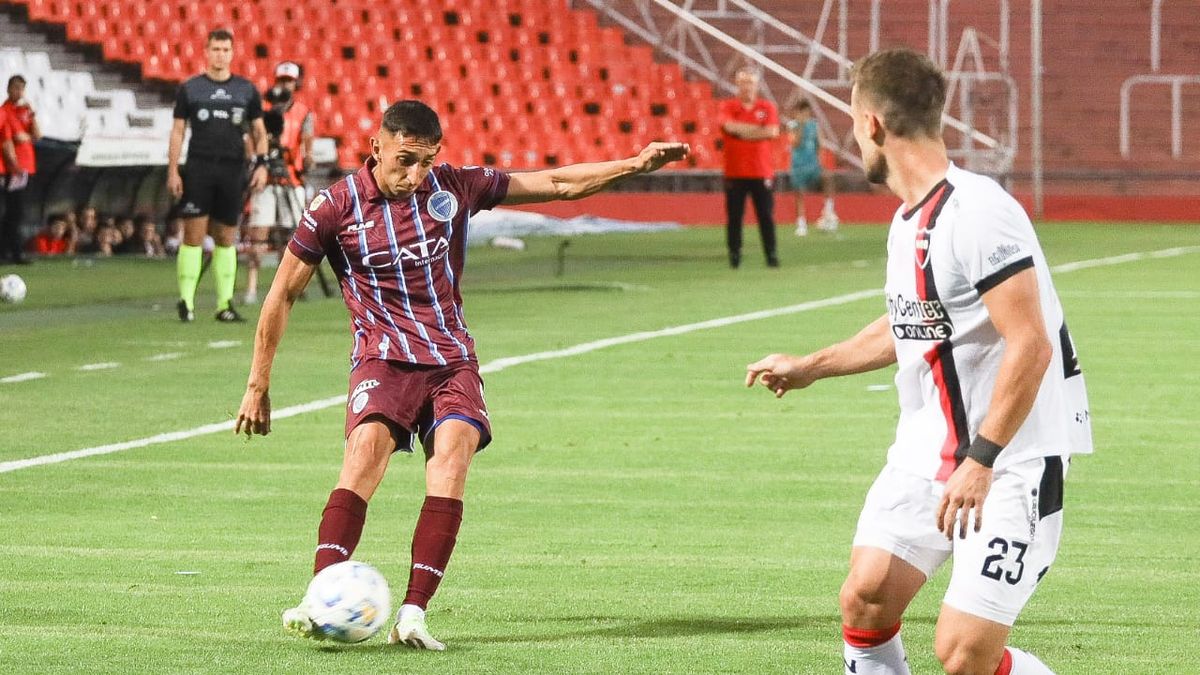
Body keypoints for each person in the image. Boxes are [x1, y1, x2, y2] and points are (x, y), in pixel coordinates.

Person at [234, 100, 688, 650]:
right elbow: (283, 292)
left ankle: (412, 614)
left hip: (452, 360)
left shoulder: (454, 189)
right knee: (364, 459)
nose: (415, 175)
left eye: (426, 161)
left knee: (451, 462)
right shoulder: (334, 207)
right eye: (405, 160)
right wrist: (258, 383)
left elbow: (558, 184)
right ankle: (320, 596)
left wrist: (632, 165)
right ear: (376, 146)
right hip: (384, 358)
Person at [745, 49, 1091, 675]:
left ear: (873, 123)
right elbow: (913, 323)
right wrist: (812, 365)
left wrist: (981, 459)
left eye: (853, 122)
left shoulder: (978, 211)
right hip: (926, 454)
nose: (854, 138)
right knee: (867, 597)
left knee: (962, 655)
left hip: (1009, 462)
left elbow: (1031, 343)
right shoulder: (909, 220)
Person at [167, 27, 269, 322]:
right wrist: (173, 169)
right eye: (215, 49)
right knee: (193, 235)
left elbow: (259, 133)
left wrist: (261, 164)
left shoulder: (246, 90)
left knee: (227, 236)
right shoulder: (190, 89)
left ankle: (224, 304)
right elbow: (177, 132)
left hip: (232, 169)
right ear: (206, 51)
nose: (220, 55)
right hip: (199, 166)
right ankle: (186, 302)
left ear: (232, 53)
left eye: (225, 50)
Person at [243, 61, 316, 305]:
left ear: (296, 83)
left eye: (289, 80)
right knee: (258, 234)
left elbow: (307, 146)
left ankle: (291, 286)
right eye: (281, 80)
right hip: (265, 176)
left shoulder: (303, 112)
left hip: (291, 176)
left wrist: (306, 159)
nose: (284, 84)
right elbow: (250, 140)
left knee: (294, 237)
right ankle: (252, 288)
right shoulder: (261, 109)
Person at [719, 67, 780, 268]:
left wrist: (743, 132)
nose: (748, 87)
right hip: (735, 171)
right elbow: (729, 127)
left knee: (766, 216)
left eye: (751, 82)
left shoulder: (767, 107)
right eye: (744, 82)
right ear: (737, 84)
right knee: (735, 217)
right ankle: (734, 256)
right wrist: (758, 131)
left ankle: (771, 255)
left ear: (757, 85)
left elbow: (772, 132)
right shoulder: (728, 106)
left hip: (761, 170)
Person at [785, 99, 839, 236]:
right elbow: (795, 143)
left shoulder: (814, 125)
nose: (804, 114)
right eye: (801, 112)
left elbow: (819, 144)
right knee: (799, 195)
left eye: (806, 111)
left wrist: (819, 160)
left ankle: (828, 212)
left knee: (828, 178)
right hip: (798, 166)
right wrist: (801, 126)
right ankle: (801, 224)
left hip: (813, 165)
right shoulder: (792, 126)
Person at [1, 75, 38, 265]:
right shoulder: (4, 112)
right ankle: (11, 251)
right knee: (13, 211)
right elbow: (7, 141)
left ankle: (11, 251)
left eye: (22, 88)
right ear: (8, 89)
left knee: (16, 212)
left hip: (24, 169)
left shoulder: (24, 112)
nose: (19, 92)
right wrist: (14, 166)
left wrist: (33, 115)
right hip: (13, 170)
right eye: (16, 88)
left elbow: (37, 135)